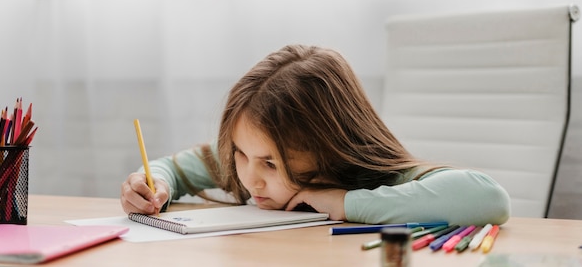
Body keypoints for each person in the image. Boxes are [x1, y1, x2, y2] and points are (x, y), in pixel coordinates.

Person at [121, 44, 510, 226]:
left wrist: (343, 203)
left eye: (271, 163)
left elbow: (487, 197)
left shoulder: (374, 181)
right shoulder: (248, 166)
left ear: (329, 151)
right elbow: (174, 169)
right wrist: (151, 184)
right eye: (240, 153)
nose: (250, 177)